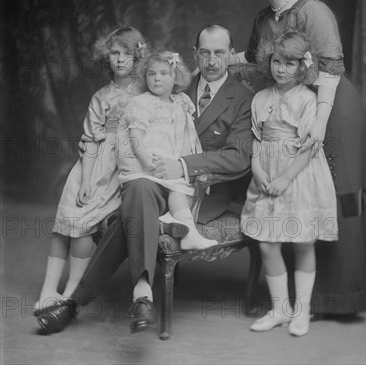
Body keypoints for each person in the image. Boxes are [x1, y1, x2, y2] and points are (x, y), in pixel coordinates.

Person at [36, 24, 253, 334]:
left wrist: (182, 165)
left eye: (220, 52)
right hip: (149, 179)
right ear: (194, 54)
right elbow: (124, 123)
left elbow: (239, 156)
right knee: (138, 188)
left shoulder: (243, 97)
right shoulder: (175, 82)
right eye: (205, 52)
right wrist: (93, 145)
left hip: (199, 191)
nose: (212, 60)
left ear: (231, 55)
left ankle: (74, 304)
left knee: (134, 205)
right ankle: (142, 298)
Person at [236, 0, 366, 315]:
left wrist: (319, 121)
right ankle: (293, 302)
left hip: (331, 108)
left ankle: (337, 297)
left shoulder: (313, 10)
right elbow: (256, 60)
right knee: (296, 196)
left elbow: (332, 69)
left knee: (331, 192)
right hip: (291, 108)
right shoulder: (262, 18)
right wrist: (217, 59)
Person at [34, 26, 147, 315]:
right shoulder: (101, 96)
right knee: (66, 219)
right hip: (93, 165)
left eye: (127, 54)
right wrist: (85, 179)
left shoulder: (147, 90)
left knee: (82, 224)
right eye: (114, 54)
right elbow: (92, 141)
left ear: (138, 56)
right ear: (106, 57)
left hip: (124, 166)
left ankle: (71, 292)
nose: (120, 60)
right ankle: (49, 289)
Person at [241, 31, 338, 336]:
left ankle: (302, 310)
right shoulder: (260, 98)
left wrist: (285, 177)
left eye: (290, 64)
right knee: (269, 243)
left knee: (301, 244)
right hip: (267, 173)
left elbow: (310, 145)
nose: (281, 69)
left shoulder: (308, 99)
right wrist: (258, 169)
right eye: (277, 62)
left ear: (302, 67)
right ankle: (280, 308)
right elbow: (256, 139)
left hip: (298, 173)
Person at [117, 48, 217, 250]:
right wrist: (147, 162)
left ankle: (183, 230)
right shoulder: (142, 103)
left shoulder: (181, 102)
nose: (157, 79)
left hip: (171, 165)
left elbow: (187, 133)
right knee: (174, 189)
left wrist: (185, 161)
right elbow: (135, 136)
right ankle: (178, 228)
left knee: (179, 190)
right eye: (152, 74)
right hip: (149, 165)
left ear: (176, 77)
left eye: (164, 74)